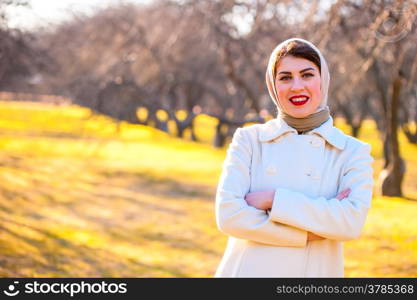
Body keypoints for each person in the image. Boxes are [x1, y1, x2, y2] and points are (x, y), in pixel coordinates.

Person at [214, 38, 374, 277]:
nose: (296, 86)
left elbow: (349, 223)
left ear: (323, 80)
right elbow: (228, 216)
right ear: (273, 84)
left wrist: (273, 199)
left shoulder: (352, 152)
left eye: (307, 75)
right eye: (285, 77)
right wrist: (310, 232)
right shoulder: (249, 140)